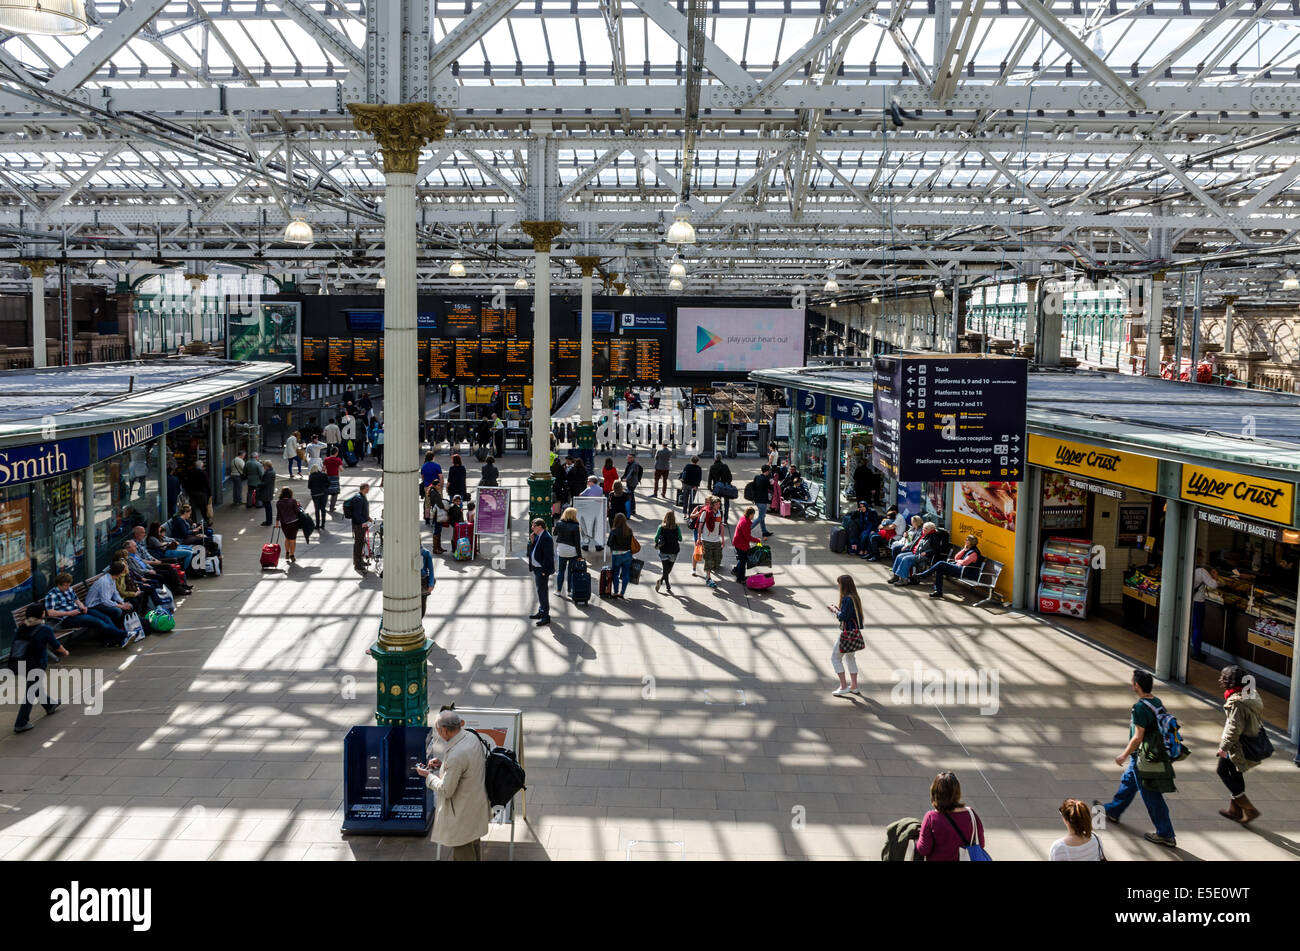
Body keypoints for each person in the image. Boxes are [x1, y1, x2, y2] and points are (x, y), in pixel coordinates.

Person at [1095, 668, 1177, 848]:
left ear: (1136, 685)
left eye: (1133, 682)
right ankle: (1113, 811)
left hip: (1145, 759)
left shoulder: (1140, 707)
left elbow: (1138, 736)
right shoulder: (1156, 701)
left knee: (1151, 795)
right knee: (1128, 782)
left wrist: (1123, 755)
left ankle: (1166, 834)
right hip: (1144, 755)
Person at [416, 709, 491, 861]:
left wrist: (428, 776)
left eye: (438, 730)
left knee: (463, 851)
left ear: (444, 729)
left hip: (461, 813)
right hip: (475, 806)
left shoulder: (457, 754)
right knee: (474, 847)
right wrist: (443, 766)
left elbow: (446, 790)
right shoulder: (471, 737)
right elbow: (466, 769)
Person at [1216, 664, 1264, 824]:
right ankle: (1235, 809)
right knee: (1236, 773)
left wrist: (1223, 748)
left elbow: (1234, 728)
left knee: (1222, 770)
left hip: (1238, 745)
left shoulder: (1237, 702)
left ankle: (1248, 809)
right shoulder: (1250, 694)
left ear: (1229, 682)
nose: (1220, 680)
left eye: (1223, 678)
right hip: (1247, 740)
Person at [11, 605, 69, 734]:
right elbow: (56, 646)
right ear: (41, 614)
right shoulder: (45, 629)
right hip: (36, 664)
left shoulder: (22, 627)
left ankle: (49, 705)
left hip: (21, 663)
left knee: (35, 686)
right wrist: (65, 652)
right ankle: (21, 723)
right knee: (31, 691)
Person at [915, 771, 986, 862]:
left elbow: (923, 849)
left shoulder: (931, 817)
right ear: (957, 792)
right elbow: (980, 844)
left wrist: (917, 839)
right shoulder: (971, 814)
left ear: (935, 793)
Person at [43, 572, 128, 645]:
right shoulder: (51, 595)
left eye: (69, 585)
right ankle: (123, 635)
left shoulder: (69, 589)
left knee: (105, 617)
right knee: (97, 622)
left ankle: (113, 638)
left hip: (78, 611)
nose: (67, 588)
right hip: (67, 619)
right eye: (66, 586)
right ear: (59, 584)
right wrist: (70, 613)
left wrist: (82, 606)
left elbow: (76, 600)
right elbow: (51, 613)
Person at [85, 563, 143, 645]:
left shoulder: (112, 579)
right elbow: (105, 601)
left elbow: (115, 593)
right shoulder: (104, 581)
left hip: (101, 603)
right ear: (119, 573)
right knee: (116, 612)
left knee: (127, 607)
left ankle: (117, 633)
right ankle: (117, 636)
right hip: (93, 606)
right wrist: (121, 606)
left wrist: (123, 603)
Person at [914, 534, 982, 598]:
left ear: (971, 542)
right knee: (940, 569)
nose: (965, 541)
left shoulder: (974, 553)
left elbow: (964, 563)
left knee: (941, 563)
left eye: (967, 540)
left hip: (966, 572)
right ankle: (938, 591)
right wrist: (964, 550)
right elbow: (956, 557)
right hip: (960, 569)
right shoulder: (967, 549)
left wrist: (958, 561)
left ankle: (924, 574)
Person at [829, 574, 863, 697]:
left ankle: (843, 686)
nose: (838, 586)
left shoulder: (847, 599)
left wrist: (835, 610)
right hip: (854, 633)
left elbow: (843, 617)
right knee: (850, 658)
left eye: (839, 584)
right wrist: (840, 610)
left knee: (835, 658)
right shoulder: (855, 597)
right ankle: (854, 686)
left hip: (847, 633)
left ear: (844, 585)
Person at [1191, 558, 1220, 663]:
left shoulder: (1188, 568)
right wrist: (1215, 576)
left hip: (1188, 600)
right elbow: (1214, 585)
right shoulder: (1202, 571)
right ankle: (1196, 652)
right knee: (1197, 627)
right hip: (1198, 602)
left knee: (1192, 626)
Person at [526, 518, 554, 625]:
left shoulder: (546, 538)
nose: (532, 528)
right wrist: (532, 541)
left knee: (542, 592)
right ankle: (541, 611)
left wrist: (544, 571)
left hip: (542, 570)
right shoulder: (538, 536)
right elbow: (534, 551)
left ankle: (545, 616)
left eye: (533, 526)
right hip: (536, 568)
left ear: (540, 526)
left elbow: (548, 557)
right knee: (539, 591)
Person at [695, 496, 725, 589]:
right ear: (712, 505)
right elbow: (700, 526)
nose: (718, 506)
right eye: (716, 504)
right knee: (708, 559)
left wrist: (723, 539)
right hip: (706, 539)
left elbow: (721, 526)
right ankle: (708, 577)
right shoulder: (705, 512)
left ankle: (709, 570)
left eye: (719, 504)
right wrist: (699, 538)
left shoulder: (720, 513)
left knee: (717, 558)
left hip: (716, 540)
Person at [554, 507, 583, 598]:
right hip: (572, 551)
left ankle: (558, 591)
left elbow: (554, 533)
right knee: (570, 571)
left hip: (562, 550)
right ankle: (569, 591)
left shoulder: (559, 523)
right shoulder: (576, 526)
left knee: (561, 571)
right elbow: (577, 542)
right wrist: (579, 555)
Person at [607, 512, 636, 599]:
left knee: (615, 574)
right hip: (627, 555)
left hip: (617, 555)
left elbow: (609, 543)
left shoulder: (614, 531)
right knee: (625, 574)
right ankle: (622, 592)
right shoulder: (629, 530)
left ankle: (615, 592)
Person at [654, 511, 682, 595]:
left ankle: (662, 581)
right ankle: (667, 585)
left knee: (665, 569)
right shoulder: (677, 527)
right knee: (668, 569)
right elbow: (680, 539)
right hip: (673, 551)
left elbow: (655, 539)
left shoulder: (661, 527)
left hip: (663, 550)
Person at [275, 487, 304, 564]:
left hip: (284, 523)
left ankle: (287, 552)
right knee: (293, 539)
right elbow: (297, 512)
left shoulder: (279, 502)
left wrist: (277, 523)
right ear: (290, 493)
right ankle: (292, 555)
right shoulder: (293, 501)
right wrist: (299, 506)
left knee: (287, 538)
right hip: (294, 522)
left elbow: (278, 513)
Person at [731, 505, 759, 584]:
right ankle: (740, 578)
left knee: (742, 559)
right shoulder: (745, 523)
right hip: (741, 544)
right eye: (753, 515)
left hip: (739, 543)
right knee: (743, 561)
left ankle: (736, 570)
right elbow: (747, 537)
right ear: (750, 514)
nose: (753, 517)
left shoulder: (743, 519)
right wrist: (757, 540)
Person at [350, 483, 372, 575]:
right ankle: (357, 564)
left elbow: (363, 511)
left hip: (361, 524)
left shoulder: (362, 496)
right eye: (368, 488)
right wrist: (363, 522)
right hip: (359, 525)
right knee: (358, 544)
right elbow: (357, 513)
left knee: (360, 543)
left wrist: (368, 518)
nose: (369, 490)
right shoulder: (359, 498)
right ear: (364, 488)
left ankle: (360, 561)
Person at [707, 453, 733, 522]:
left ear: (715, 458)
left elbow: (710, 479)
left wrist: (710, 488)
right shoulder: (725, 466)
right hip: (725, 488)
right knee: (726, 504)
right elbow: (730, 477)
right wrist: (727, 483)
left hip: (717, 488)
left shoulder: (712, 467)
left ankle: (719, 518)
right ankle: (726, 519)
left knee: (717, 504)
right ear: (721, 458)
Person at [307, 464, 329, 530]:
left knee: (317, 510)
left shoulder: (311, 476)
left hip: (315, 495)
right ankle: (323, 524)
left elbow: (309, 487)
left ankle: (317, 525)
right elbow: (328, 483)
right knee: (323, 509)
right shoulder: (323, 475)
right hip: (323, 494)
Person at [322, 449, 343, 514]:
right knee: (335, 493)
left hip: (328, 477)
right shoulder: (338, 460)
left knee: (326, 493)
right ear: (336, 453)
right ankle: (331, 507)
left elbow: (323, 469)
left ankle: (323, 507)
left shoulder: (326, 459)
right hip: (335, 478)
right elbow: (341, 469)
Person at [259, 461, 277, 527]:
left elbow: (265, 483)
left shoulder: (269, 473)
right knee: (268, 507)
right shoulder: (271, 471)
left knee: (268, 507)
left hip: (267, 492)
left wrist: (258, 485)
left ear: (266, 466)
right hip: (268, 491)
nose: (263, 467)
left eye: (264, 466)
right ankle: (268, 521)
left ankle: (268, 521)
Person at [420, 544, 435, 615]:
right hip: (412, 583)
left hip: (423, 582)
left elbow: (431, 570)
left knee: (422, 606)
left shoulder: (425, 553)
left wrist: (431, 583)